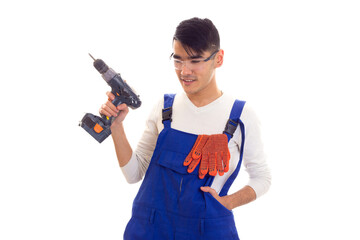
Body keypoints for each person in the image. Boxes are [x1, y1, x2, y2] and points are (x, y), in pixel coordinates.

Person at [100, 17, 271, 240]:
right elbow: (133, 174)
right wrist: (117, 127)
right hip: (150, 229)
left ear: (218, 59)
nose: (184, 71)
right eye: (178, 60)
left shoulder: (240, 117)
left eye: (195, 61)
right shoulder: (164, 108)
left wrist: (226, 203)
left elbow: (262, 177)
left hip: (207, 231)